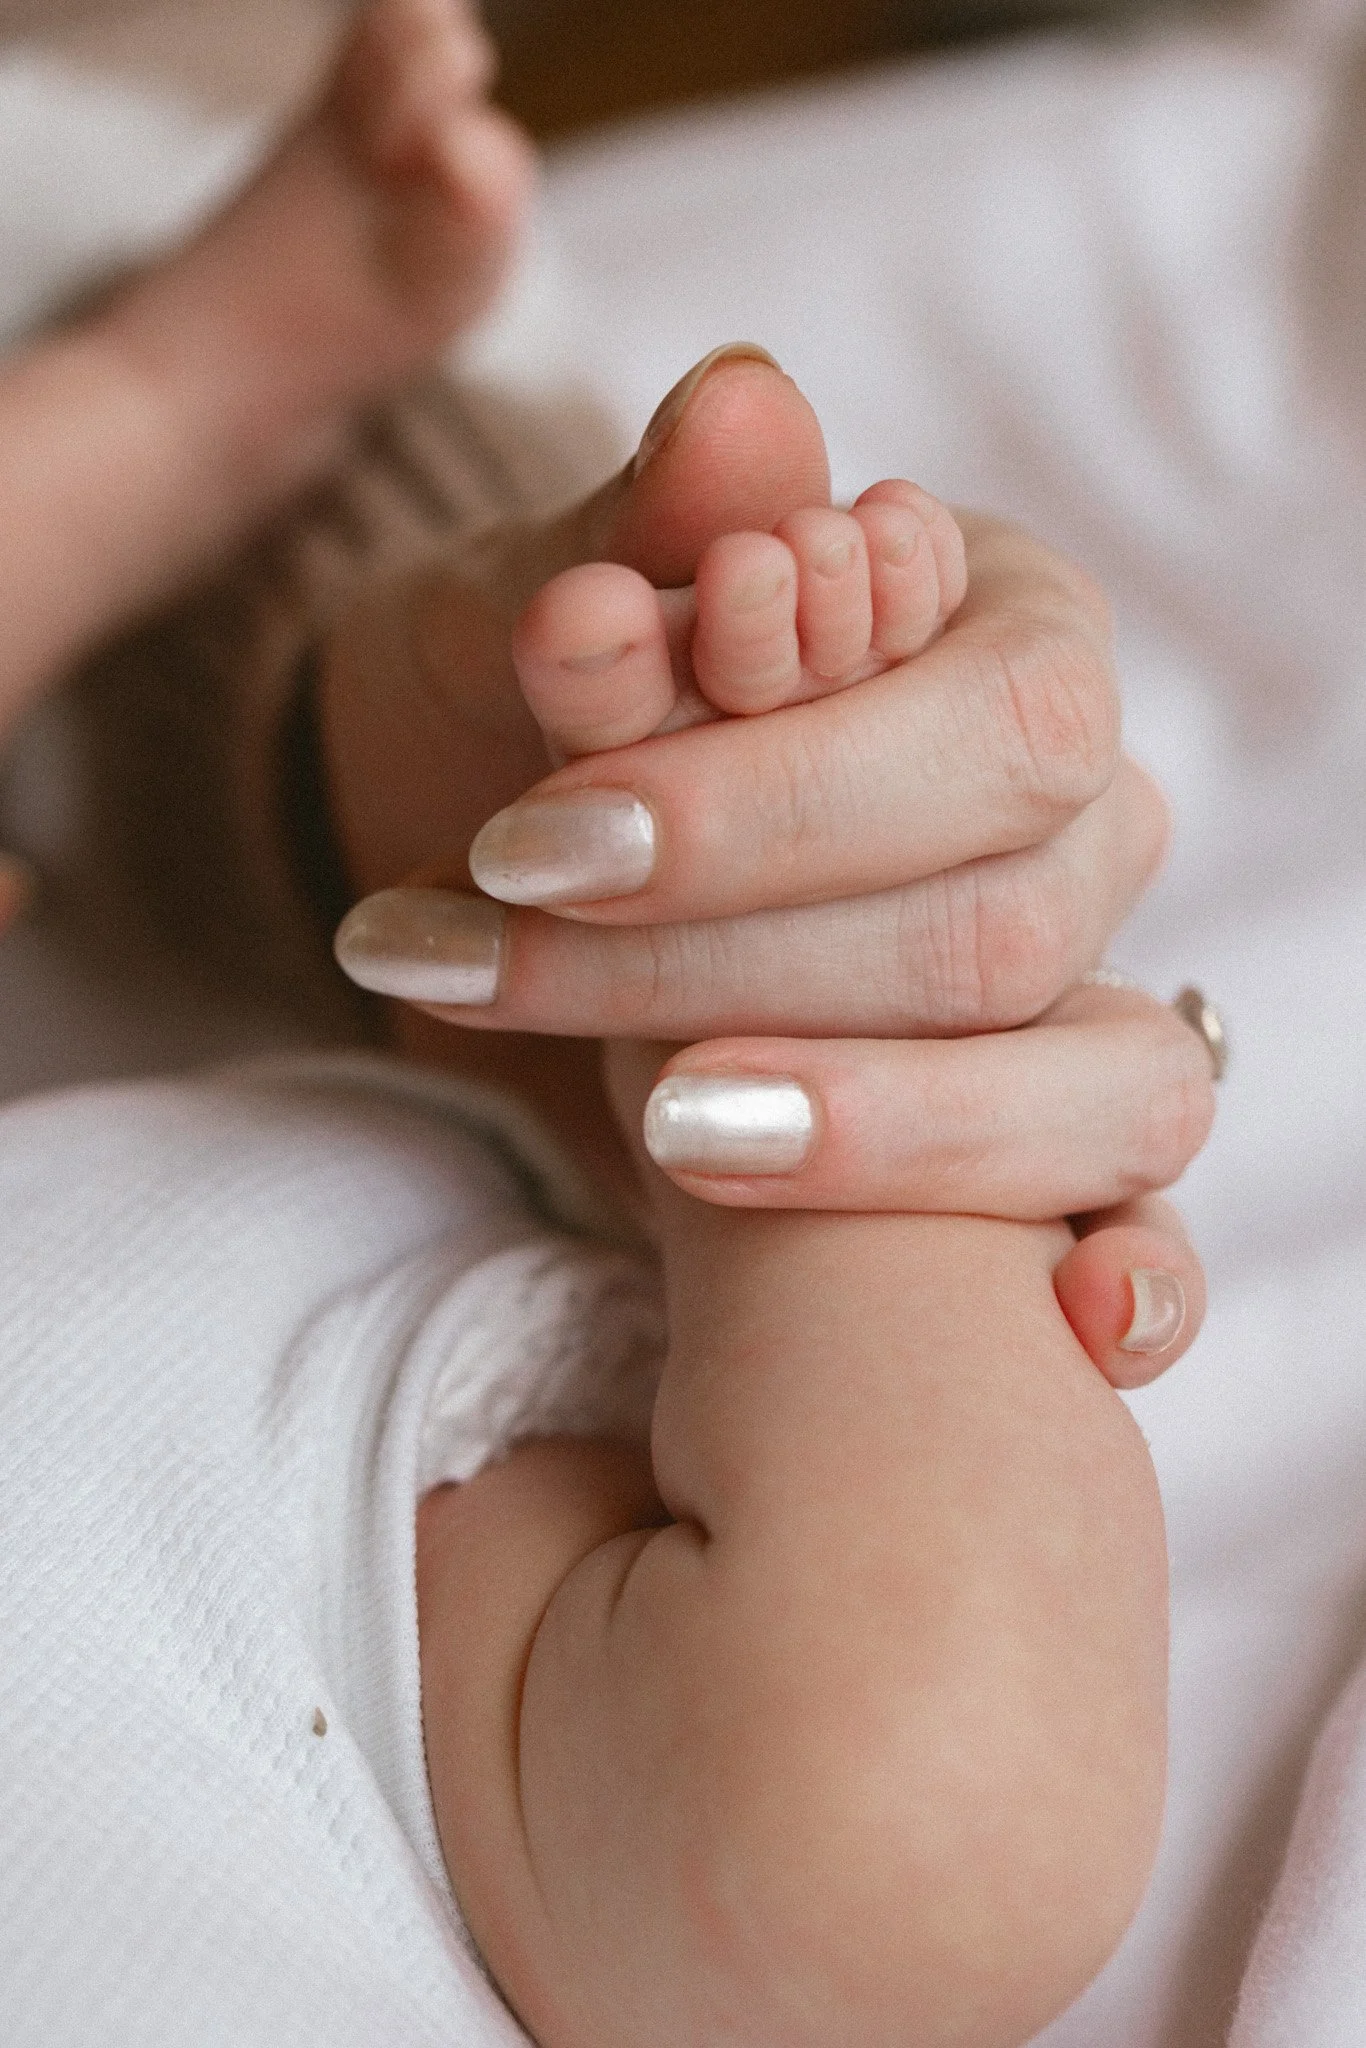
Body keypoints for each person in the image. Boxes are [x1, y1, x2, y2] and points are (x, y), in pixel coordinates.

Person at [0, 3, 1220, 2042]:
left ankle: (163, 412)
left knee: (897, 1831)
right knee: (895, 1845)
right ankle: (789, 996)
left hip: (199, 1486)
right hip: (269, 1579)